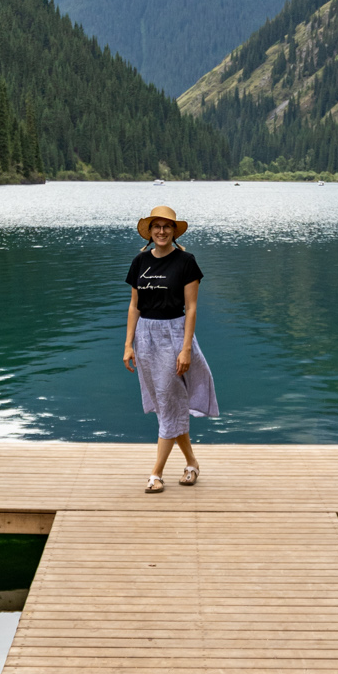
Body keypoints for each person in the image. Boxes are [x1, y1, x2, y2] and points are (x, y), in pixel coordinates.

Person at [123, 204, 219, 492]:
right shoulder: (140, 262)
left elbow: (191, 309)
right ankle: (192, 463)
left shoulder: (186, 261)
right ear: (149, 232)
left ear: (174, 231)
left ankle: (156, 472)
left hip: (174, 335)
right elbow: (133, 306)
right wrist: (128, 344)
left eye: (167, 227)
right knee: (169, 404)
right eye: (157, 227)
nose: (162, 231)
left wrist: (186, 348)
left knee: (168, 402)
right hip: (146, 337)